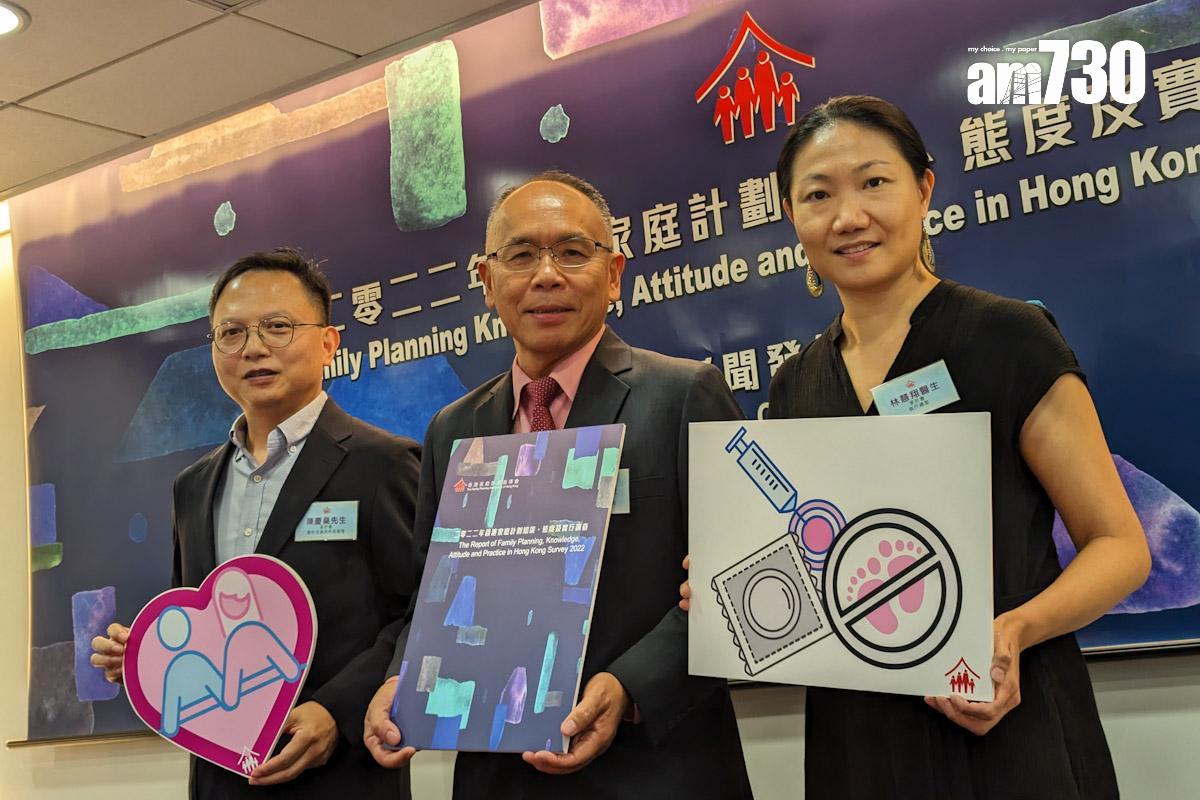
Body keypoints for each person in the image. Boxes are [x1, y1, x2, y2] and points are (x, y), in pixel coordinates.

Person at [683, 95, 1150, 799]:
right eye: (818, 195)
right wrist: (727, 584)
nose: (848, 217)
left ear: (924, 189)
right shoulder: (796, 382)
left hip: (1002, 716)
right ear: (791, 217)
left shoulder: (1008, 337)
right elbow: (821, 558)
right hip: (856, 736)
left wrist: (1015, 631)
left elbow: (1120, 546)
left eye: (874, 182)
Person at [363, 171, 754, 799]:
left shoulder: (684, 394)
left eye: (572, 252)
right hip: (497, 777)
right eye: (520, 256)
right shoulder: (453, 429)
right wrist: (400, 680)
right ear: (487, 282)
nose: (547, 275)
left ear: (614, 274)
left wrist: (629, 687)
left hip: (654, 768)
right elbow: (430, 595)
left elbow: (739, 585)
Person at [91, 248, 420, 799]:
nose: (254, 348)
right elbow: (202, 624)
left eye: (278, 327)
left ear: (328, 343)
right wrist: (147, 653)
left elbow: (420, 617)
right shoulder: (193, 486)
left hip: (340, 776)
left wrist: (337, 711)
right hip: (220, 778)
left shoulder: (383, 463)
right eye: (232, 333)